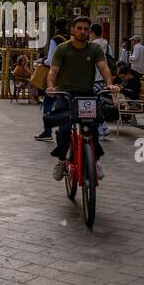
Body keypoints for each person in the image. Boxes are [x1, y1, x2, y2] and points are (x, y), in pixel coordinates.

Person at [46, 15, 119, 181]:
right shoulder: (63, 49)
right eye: (79, 28)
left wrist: (110, 83)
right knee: (64, 129)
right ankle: (62, 161)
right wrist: (51, 87)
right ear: (73, 30)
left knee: (92, 128)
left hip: (86, 93)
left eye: (86, 29)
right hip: (64, 93)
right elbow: (53, 71)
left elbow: (104, 68)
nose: (82, 32)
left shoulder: (95, 49)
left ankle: (95, 161)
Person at [35, 19, 69, 141]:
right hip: (71, 77)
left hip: (57, 77)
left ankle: (48, 131)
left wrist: (43, 61)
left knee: (48, 103)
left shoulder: (55, 39)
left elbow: (51, 60)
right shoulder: (72, 37)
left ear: (55, 27)